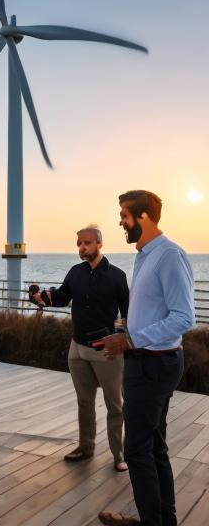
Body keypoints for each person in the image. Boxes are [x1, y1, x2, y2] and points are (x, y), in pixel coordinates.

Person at [96, 190, 195, 526]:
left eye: (124, 214)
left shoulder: (168, 255)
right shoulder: (145, 255)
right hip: (146, 362)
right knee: (154, 448)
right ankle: (161, 520)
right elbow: (156, 312)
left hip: (155, 365)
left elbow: (184, 317)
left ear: (143, 218)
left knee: (137, 451)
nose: (119, 221)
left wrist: (131, 339)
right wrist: (125, 330)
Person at [30, 225, 130, 471]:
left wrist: (125, 339)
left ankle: (120, 455)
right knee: (84, 401)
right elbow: (62, 296)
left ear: (99, 244)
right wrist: (42, 296)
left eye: (86, 243)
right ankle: (86, 447)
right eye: (79, 243)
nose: (82, 247)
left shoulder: (117, 276)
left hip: (106, 350)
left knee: (114, 405)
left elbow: (129, 312)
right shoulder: (75, 272)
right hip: (77, 347)